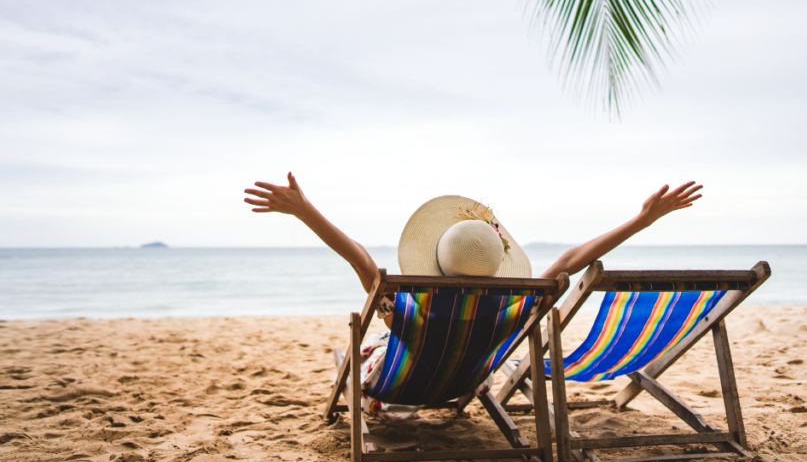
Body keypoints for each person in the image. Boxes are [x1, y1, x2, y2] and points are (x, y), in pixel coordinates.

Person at [243, 172, 702, 418]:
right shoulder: (513, 310)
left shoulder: (410, 310)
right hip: (465, 383)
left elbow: (363, 263)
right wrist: (642, 221)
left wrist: (305, 212)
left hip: (396, 383)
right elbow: (569, 263)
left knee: (363, 349)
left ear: (434, 261)